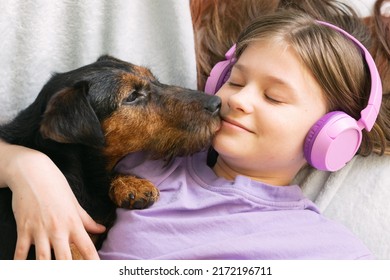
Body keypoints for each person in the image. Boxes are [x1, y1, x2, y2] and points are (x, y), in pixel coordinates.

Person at [0, 8, 387, 259]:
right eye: (234, 82)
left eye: (273, 97)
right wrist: (27, 168)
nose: (236, 101)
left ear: (331, 135)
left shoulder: (333, 253)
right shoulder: (150, 161)